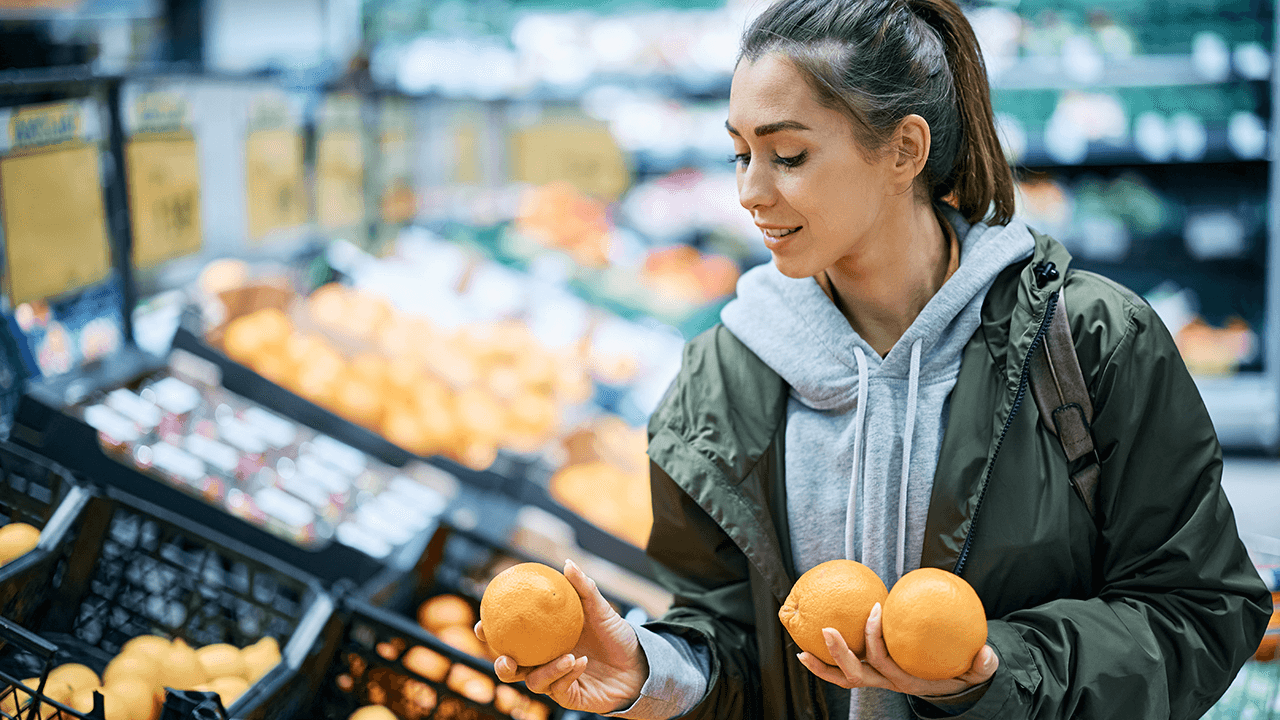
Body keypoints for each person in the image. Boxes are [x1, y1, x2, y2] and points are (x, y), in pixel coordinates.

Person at [474, 0, 1272, 717]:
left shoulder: (1094, 343)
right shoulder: (722, 377)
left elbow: (1199, 612)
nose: (749, 191)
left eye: (787, 156)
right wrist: (655, 674)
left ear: (905, 149)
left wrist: (993, 676)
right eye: (739, 154)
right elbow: (736, 647)